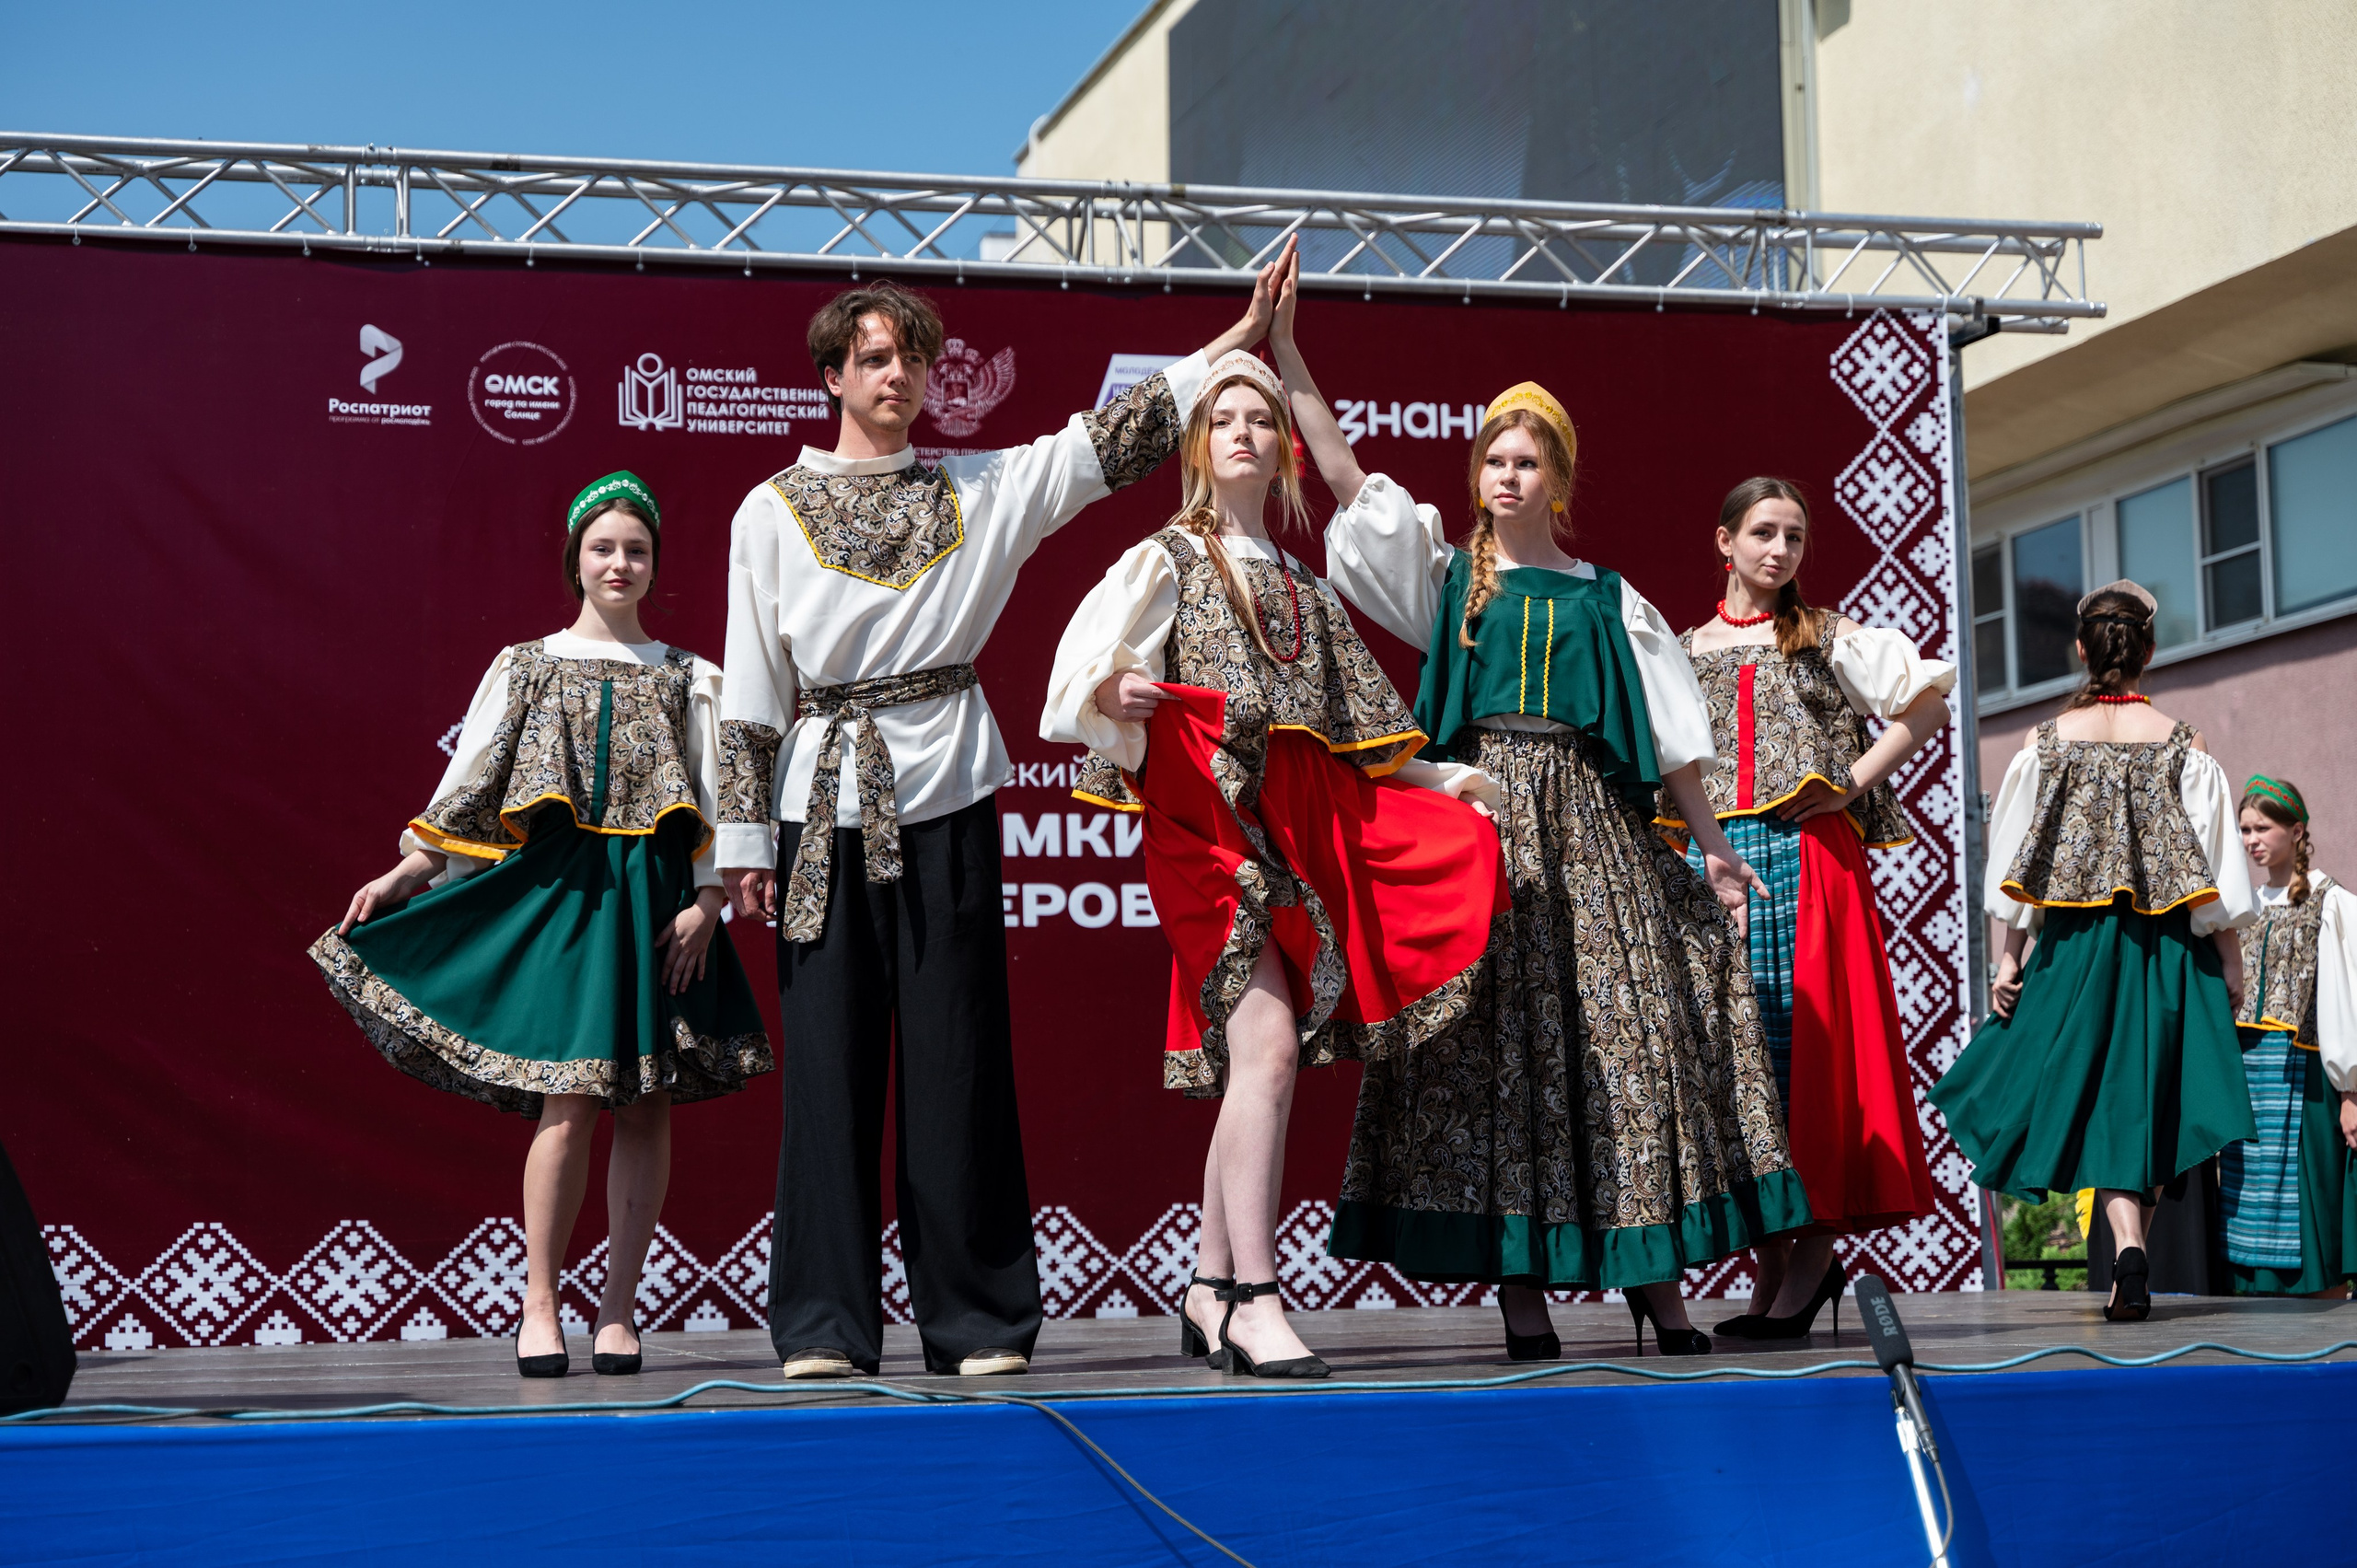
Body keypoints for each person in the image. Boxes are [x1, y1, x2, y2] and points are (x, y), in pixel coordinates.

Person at [715, 271, 1284, 1379]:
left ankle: (976, 1319)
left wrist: (1234, 343)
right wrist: (742, 843)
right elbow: (748, 686)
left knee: (957, 1061)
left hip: (947, 794)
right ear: (831, 376)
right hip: (820, 808)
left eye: (913, 358)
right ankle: (823, 1324)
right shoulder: (767, 508)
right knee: (828, 1071)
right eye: (873, 358)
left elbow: (1104, 441)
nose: (897, 375)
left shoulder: (978, 487)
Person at [1292, 322, 1807, 1358]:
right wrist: (1291, 352)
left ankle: (1655, 1284)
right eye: (1495, 459)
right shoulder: (1448, 578)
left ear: (1558, 480)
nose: (1507, 475)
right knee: (1497, 1056)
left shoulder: (1611, 598)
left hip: (1592, 829)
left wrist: (1710, 844)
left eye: (1527, 461)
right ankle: (1521, 1292)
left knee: (1626, 1046)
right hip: (1483, 820)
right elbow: (1348, 482)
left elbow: (1671, 737)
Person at [1040, 307, 1510, 1379]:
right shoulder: (1165, 558)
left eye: (1261, 418)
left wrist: (1447, 783)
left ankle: (1210, 1285)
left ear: (1285, 445)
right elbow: (1080, 680)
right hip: (1209, 833)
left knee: (1265, 1055)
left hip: (1298, 836)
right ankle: (1256, 1296)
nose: (1245, 432)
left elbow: (1362, 747)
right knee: (1264, 1051)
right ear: (1197, 444)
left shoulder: (1307, 589)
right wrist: (1118, 688)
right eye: (1224, 418)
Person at [310, 471, 772, 1378]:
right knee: (569, 1098)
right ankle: (539, 1302)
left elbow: (722, 800)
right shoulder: (526, 664)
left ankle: (619, 1310)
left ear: (655, 563)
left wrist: (708, 903)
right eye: (603, 547)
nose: (619, 563)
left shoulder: (691, 676)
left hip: (657, 909)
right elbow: (475, 783)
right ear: (575, 558)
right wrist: (410, 867)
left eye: (636, 549)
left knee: (645, 1102)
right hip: (565, 901)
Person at [1668, 478, 1950, 1342]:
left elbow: (1927, 701)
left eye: (1794, 536)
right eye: (1763, 532)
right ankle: (1774, 1264)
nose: (1780, 550)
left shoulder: (1826, 634)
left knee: (1817, 1060)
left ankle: (1812, 1261)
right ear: (1725, 540)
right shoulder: (1682, 647)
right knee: (1741, 1062)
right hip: (1717, 863)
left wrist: (1851, 785)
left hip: (1812, 862)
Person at [1930, 581, 2255, 1322]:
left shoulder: (2045, 744)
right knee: (2154, 1099)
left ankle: (2127, 1248)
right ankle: (2132, 1246)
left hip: (2074, 948)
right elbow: (2215, 867)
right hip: (2164, 947)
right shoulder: (2185, 745)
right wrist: (2232, 958)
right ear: (2149, 650)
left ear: (2081, 648)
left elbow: (2019, 861)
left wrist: (2008, 955)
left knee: (2099, 1095)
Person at [2217, 776, 2357, 1296]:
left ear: (2297, 831)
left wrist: (2351, 1091)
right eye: (2245, 830)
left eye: (2263, 828)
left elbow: (2348, 999)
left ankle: (2321, 1314)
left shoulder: (2333, 903)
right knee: (2246, 1197)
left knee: (2309, 1203)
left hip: (2305, 1074)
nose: (2251, 840)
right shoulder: (2242, 909)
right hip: (2248, 1078)